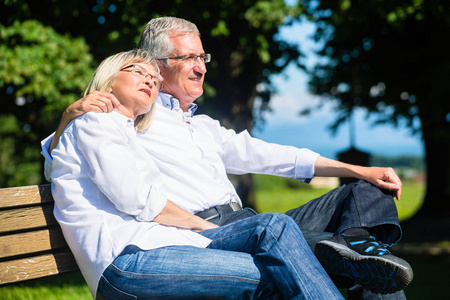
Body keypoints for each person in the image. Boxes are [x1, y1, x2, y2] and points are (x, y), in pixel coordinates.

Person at [42, 17, 413, 299]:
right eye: (188, 57)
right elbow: (67, 154)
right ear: (159, 64)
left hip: (241, 224)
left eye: (203, 56)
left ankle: (356, 243)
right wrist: (68, 117)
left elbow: (267, 155)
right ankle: (348, 252)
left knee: (365, 194)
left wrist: (358, 169)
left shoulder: (203, 126)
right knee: (304, 249)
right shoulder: (128, 120)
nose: (201, 65)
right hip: (198, 234)